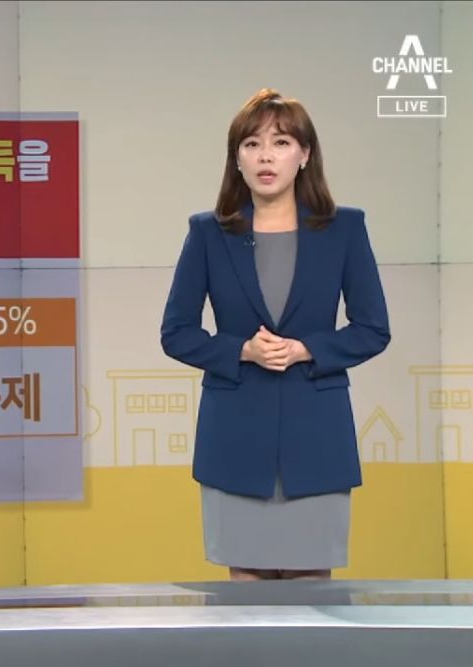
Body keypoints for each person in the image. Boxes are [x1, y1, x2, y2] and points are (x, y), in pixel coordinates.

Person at [160, 88, 391, 581]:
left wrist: (308, 349)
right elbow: (176, 332)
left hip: (317, 437)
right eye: (252, 144)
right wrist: (241, 351)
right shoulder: (208, 234)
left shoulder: (344, 230)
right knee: (247, 594)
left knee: (313, 592)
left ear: (304, 154)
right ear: (236, 158)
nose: (266, 156)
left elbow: (373, 329)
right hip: (235, 437)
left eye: (281, 142)